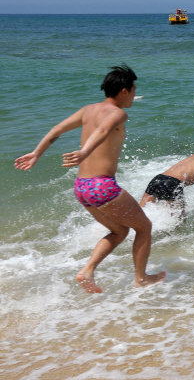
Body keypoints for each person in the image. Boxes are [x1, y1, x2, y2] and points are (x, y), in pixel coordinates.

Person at [14, 65, 166, 293]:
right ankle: (141, 278)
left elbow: (57, 129)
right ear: (124, 91)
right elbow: (104, 130)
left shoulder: (87, 110)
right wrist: (85, 152)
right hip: (102, 186)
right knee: (144, 227)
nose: (135, 94)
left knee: (119, 231)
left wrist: (37, 153)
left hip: (82, 187)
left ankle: (87, 271)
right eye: (134, 89)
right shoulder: (118, 113)